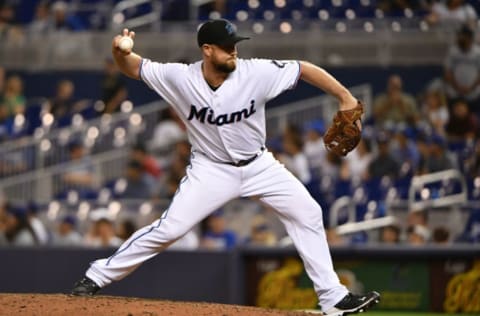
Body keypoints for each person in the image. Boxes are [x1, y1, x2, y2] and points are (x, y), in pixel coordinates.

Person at [71, 19, 380, 315]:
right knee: (170, 229)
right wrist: (118, 52)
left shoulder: (256, 72)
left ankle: (333, 298)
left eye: (235, 45)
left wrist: (345, 96)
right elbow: (133, 67)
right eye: (226, 46)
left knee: (308, 213)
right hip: (211, 170)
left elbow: (304, 69)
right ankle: (97, 276)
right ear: (207, 49)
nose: (234, 50)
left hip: (260, 166)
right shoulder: (180, 78)